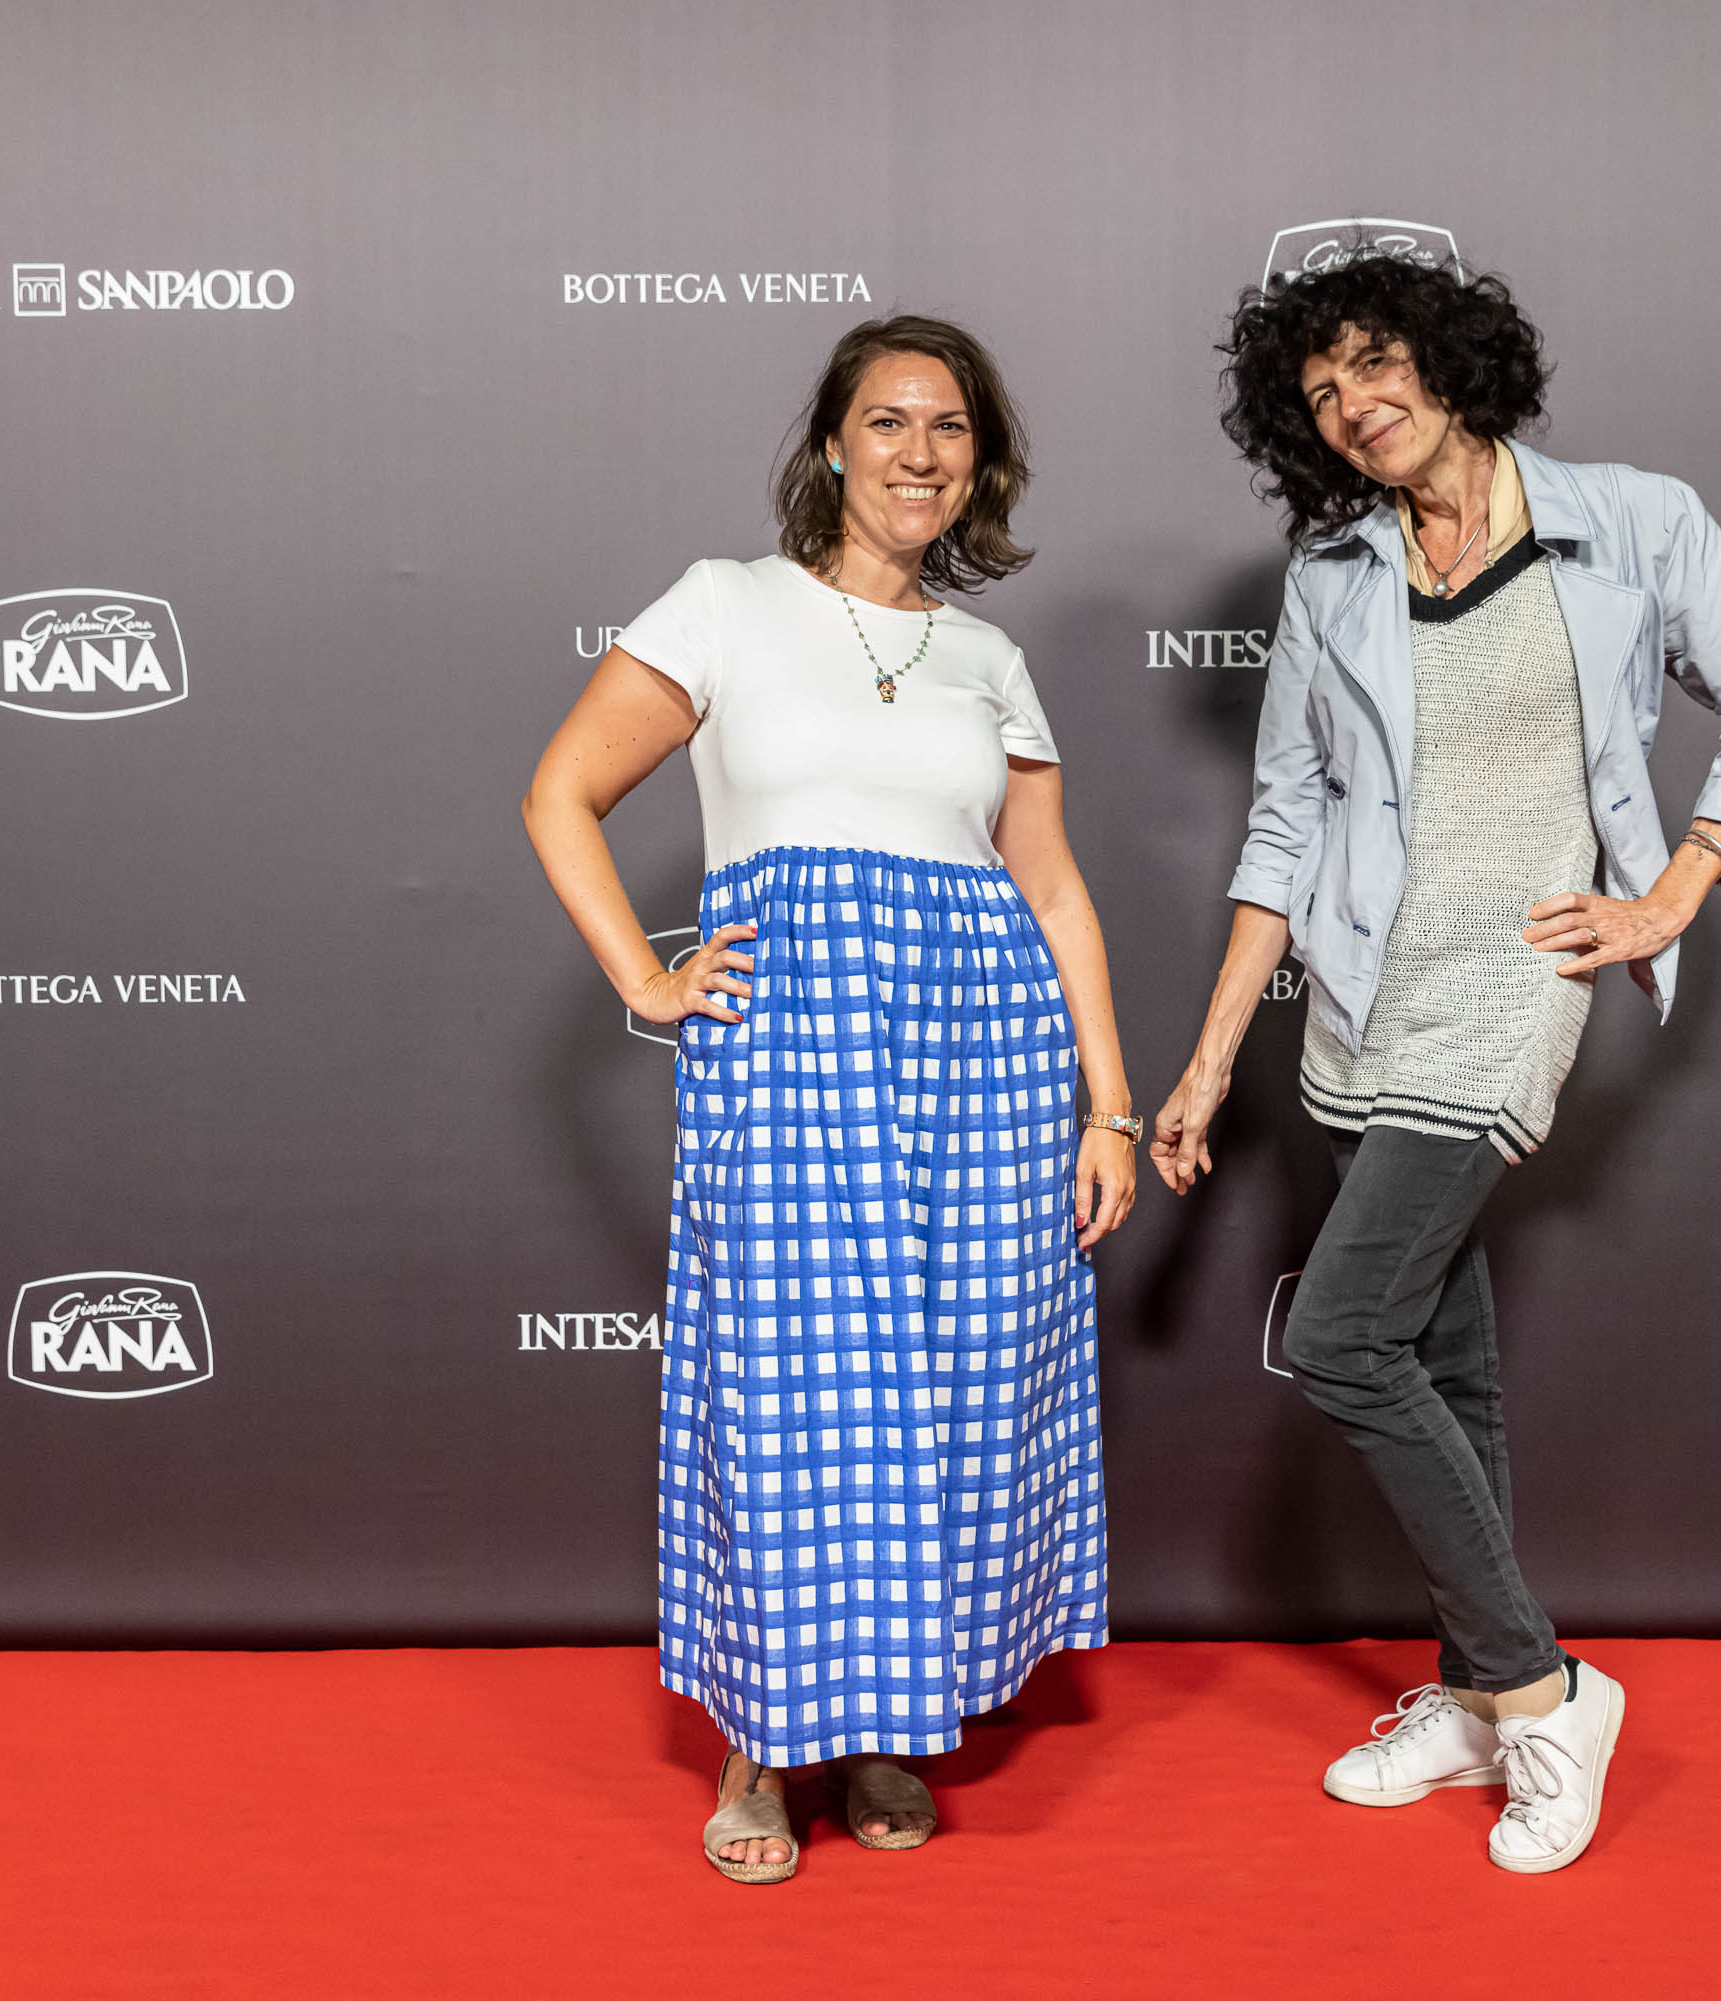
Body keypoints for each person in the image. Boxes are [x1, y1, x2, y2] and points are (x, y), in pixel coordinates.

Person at [1150, 255, 1721, 1874]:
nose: (1354, 404)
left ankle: (1542, 1688)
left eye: (1374, 363)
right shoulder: (1335, 571)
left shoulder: (1631, 520)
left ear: (1446, 358)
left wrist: (1671, 891)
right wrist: (1214, 1052)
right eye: (1319, 393)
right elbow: (1287, 819)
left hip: (1513, 984)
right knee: (1444, 1359)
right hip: (1360, 997)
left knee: (1344, 1334)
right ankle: (1468, 1696)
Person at [524, 315, 1136, 1884]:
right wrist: (646, 979)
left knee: (952, 1393)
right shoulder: (727, 604)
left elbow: (1053, 892)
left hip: (985, 1066)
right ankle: (760, 1742)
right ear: (832, 446)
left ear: (980, 464)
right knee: (789, 1394)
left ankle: (885, 1723)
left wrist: (1109, 1108)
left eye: (951, 427)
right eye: (888, 420)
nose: (919, 451)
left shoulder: (989, 661)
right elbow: (561, 792)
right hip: (794, 1064)